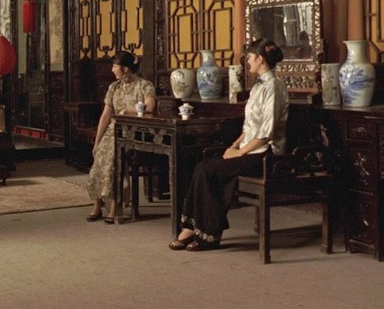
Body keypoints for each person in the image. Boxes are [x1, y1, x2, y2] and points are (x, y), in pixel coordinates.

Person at [169, 38, 288, 251]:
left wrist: (239, 153)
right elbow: (250, 127)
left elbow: (266, 133)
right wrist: (234, 146)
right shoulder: (258, 86)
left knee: (208, 171)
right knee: (202, 166)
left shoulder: (275, 87)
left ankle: (208, 235)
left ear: (260, 59)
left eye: (250, 57)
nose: (247, 61)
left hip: (267, 154)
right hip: (251, 149)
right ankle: (192, 227)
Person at [86, 51, 157, 224]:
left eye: (114, 66)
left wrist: (128, 111)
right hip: (113, 131)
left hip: (135, 130)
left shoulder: (145, 85)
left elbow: (149, 108)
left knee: (112, 158)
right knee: (100, 156)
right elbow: (105, 116)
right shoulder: (114, 87)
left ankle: (114, 206)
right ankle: (97, 203)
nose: (112, 70)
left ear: (125, 69)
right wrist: (97, 142)